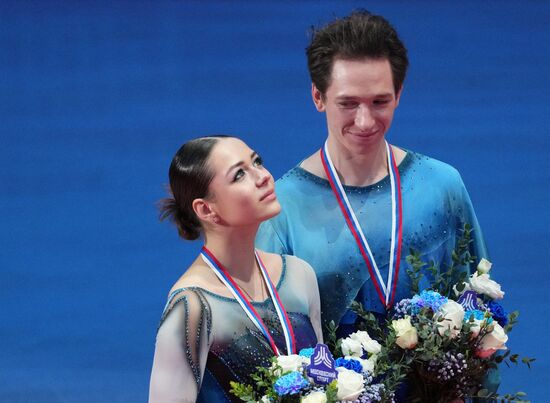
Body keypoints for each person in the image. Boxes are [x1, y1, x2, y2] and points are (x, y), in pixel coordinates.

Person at [256, 10, 489, 338]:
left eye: (380, 101)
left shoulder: (441, 185)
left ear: (399, 94)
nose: (365, 121)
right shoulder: (282, 206)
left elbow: (478, 310)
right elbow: (271, 341)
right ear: (318, 97)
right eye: (348, 104)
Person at [149, 136, 322, 403]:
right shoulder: (192, 307)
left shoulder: (299, 275)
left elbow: (324, 382)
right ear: (206, 209)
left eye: (257, 162)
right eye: (239, 174)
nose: (263, 176)